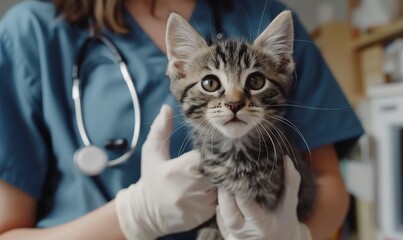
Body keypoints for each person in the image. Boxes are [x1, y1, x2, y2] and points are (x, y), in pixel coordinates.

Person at [0, 0, 364, 239]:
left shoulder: (267, 16)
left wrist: (293, 235)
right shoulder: (34, 29)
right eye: (211, 84)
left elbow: (330, 185)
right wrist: (135, 215)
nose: (234, 101)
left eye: (251, 83)